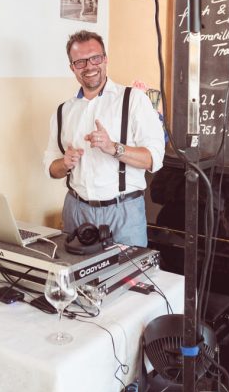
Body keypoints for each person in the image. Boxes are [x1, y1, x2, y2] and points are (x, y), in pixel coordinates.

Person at [43, 30, 165, 247]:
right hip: (76, 210)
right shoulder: (63, 111)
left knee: (128, 278)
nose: (89, 66)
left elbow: (153, 159)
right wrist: (65, 163)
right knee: (77, 278)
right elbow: (51, 169)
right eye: (80, 62)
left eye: (95, 58)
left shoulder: (133, 100)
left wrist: (113, 148)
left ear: (105, 59)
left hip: (124, 213)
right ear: (72, 68)